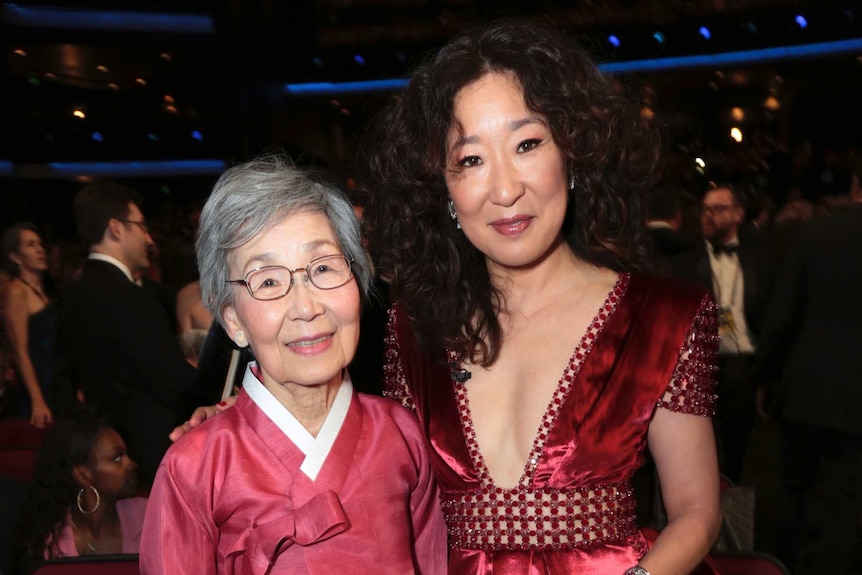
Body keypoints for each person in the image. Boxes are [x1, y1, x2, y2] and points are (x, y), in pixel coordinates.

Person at [175, 18, 721, 575]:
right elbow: (343, 434)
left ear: (572, 153)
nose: (505, 190)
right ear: (444, 187)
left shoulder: (664, 318)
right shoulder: (413, 330)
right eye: (471, 160)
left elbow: (697, 511)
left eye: (527, 144)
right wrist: (227, 429)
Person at [140, 155, 447, 574]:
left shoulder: (402, 435)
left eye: (323, 268)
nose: (305, 307)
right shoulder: (195, 469)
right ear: (233, 320)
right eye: (268, 281)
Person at [51, 181, 206, 488]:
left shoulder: (72, 295)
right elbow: (172, 382)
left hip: (105, 455)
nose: (148, 238)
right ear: (117, 229)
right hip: (152, 454)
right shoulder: (130, 298)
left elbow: (62, 381)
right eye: (141, 227)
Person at [755, 155, 862, 574]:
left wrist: (766, 375)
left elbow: (783, 313)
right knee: (843, 501)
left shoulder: (814, 233)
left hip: (804, 390)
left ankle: (786, 565)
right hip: (855, 403)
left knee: (794, 491)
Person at [673, 182, 775, 483]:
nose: (708, 216)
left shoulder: (758, 259)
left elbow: (768, 311)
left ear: (738, 215)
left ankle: (731, 516)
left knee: (737, 451)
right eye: (705, 209)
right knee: (696, 453)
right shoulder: (686, 264)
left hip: (741, 364)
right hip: (699, 367)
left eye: (718, 209)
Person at [16, 407, 147, 574]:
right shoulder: (52, 542)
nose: (131, 464)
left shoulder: (148, 515)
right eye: (117, 458)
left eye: (126, 455)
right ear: (83, 475)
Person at [1, 222, 58, 428]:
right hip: (37, 382)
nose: (39, 249)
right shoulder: (16, 291)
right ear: (15, 256)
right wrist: (37, 400)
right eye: (30, 244)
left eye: (40, 244)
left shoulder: (47, 290)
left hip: (56, 379)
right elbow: (20, 351)